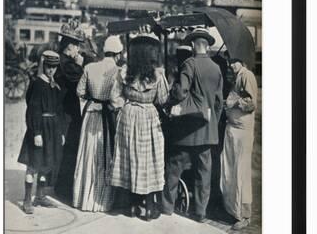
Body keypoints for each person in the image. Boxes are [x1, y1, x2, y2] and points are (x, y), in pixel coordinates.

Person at [162, 28, 223, 223]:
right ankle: (200, 213)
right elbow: (219, 102)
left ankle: (167, 207)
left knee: (174, 167)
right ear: (207, 45)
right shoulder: (216, 68)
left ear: (194, 45)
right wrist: (211, 120)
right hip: (207, 130)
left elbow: (181, 93)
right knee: (203, 173)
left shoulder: (189, 63)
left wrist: (172, 98)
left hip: (186, 130)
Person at [110, 30, 170, 221]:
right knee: (150, 160)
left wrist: (123, 107)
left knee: (130, 158)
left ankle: (132, 206)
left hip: (129, 115)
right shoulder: (157, 75)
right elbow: (162, 99)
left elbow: (114, 98)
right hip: (148, 116)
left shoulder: (125, 71)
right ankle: (150, 208)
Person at [73, 35, 125, 212]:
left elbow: (79, 91)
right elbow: (117, 100)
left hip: (90, 115)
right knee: (104, 154)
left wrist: (92, 97)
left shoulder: (89, 67)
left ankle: (83, 198)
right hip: (106, 116)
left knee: (88, 154)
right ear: (118, 54)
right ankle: (101, 200)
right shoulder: (117, 71)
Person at [17, 51, 65, 214]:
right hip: (39, 128)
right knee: (33, 164)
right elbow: (32, 110)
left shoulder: (55, 84)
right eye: (49, 67)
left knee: (47, 163)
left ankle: (40, 195)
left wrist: (61, 132)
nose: (51, 70)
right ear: (43, 66)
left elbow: (59, 109)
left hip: (52, 129)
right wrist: (36, 132)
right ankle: (26, 199)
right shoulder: (37, 84)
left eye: (54, 67)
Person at [220, 58, 258, 230]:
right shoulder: (235, 76)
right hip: (233, 127)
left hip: (242, 130)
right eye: (230, 62)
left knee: (241, 171)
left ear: (241, 62)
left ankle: (244, 215)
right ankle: (232, 209)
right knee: (229, 169)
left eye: (235, 62)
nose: (231, 65)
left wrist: (234, 102)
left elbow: (251, 104)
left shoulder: (247, 75)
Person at [54, 20, 86, 202]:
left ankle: (58, 185)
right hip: (67, 111)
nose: (78, 50)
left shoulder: (60, 60)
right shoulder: (68, 64)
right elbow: (83, 81)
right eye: (77, 46)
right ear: (70, 46)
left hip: (62, 109)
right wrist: (81, 64)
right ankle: (64, 189)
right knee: (70, 148)